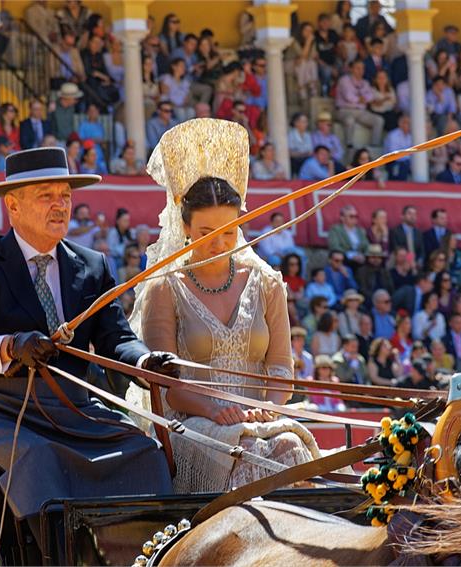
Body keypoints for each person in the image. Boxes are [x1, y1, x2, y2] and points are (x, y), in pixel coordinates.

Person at [0, 146, 175, 537]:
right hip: (2, 412)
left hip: (74, 411)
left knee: (146, 454)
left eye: (65, 196)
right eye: (46, 196)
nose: (60, 206)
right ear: (12, 207)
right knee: (39, 459)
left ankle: (137, 557)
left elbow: (116, 338)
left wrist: (145, 362)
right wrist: (12, 345)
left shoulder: (93, 264)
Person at [131, 119, 320, 492]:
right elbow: (169, 386)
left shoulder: (266, 283)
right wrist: (217, 411)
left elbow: (281, 367)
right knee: (247, 451)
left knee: (288, 445)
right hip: (194, 425)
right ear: (185, 228)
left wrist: (270, 405)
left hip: (260, 418)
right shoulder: (164, 290)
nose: (218, 244)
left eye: (228, 233)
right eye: (206, 234)